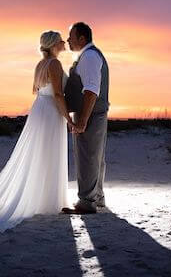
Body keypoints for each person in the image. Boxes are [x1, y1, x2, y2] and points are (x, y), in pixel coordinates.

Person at [0, 31, 75, 233]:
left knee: (42, 155)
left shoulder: (40, 65)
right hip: (50, 112)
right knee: (49, 154)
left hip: (40, 109)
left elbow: (39, 91)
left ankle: (46, 200)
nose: (64, 42)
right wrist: (68, 118)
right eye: (61, 40)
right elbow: (57, 94)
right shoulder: (54, 64)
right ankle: (49, 201)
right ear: (54, 44)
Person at [62, 22, 110, 214]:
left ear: (82, 38)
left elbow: (91, 91)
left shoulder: (90, 56)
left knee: (87, 156)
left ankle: (86, 202)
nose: (68, 41)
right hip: (93, 112)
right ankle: (97, 198)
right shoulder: (89, 55)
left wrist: (82, 119)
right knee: (95, 156)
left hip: (90, 113)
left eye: (70, 37)